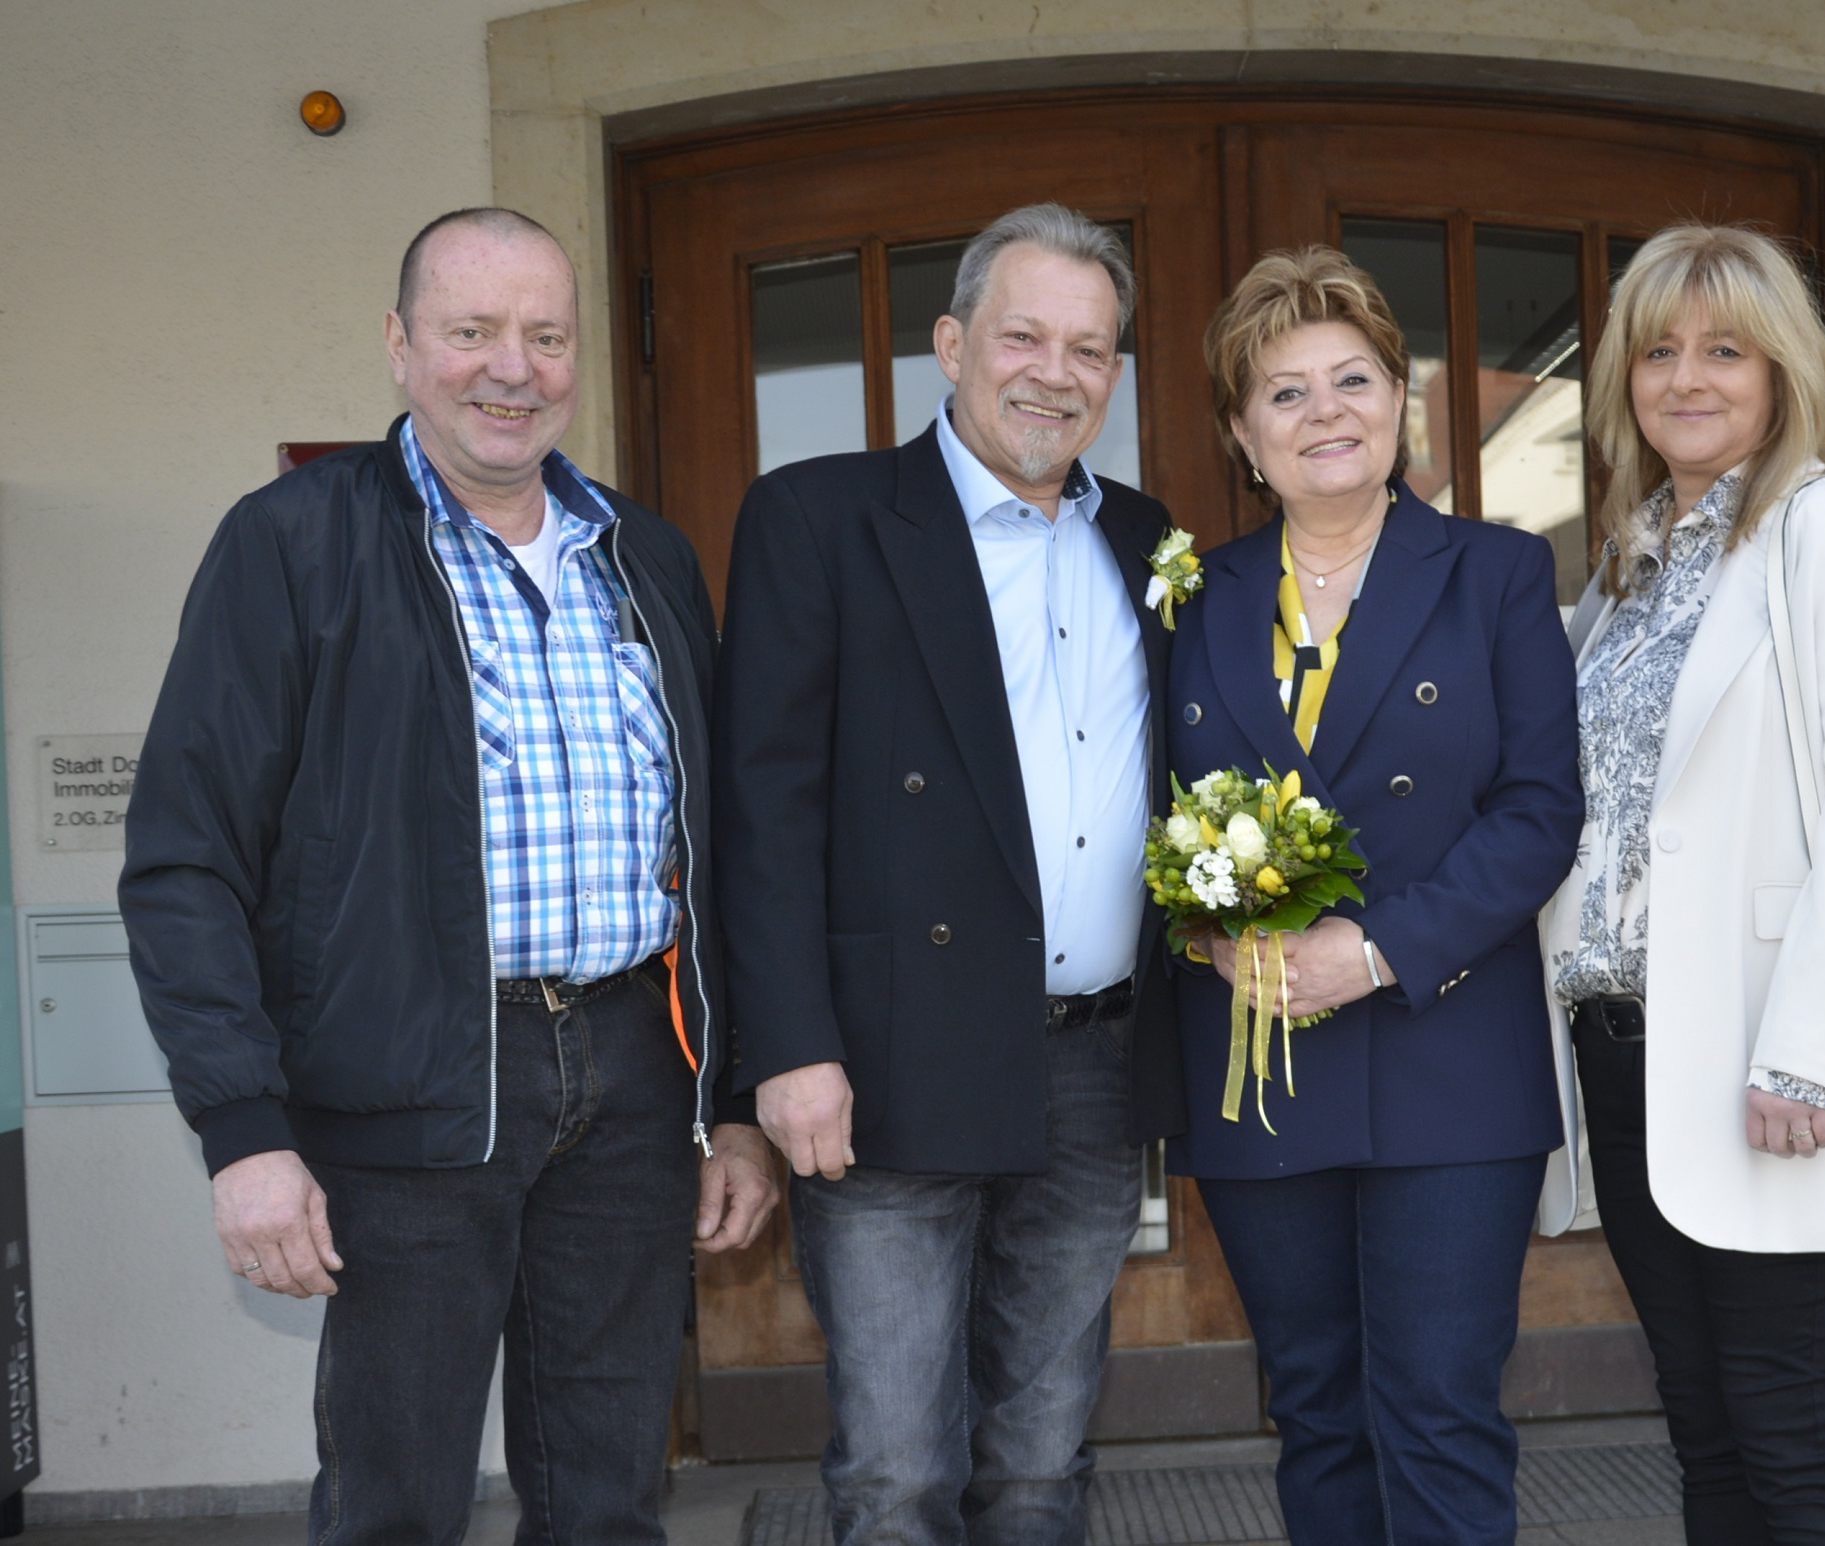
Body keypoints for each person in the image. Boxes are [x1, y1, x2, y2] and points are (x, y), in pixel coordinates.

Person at [118, 207, 778, 1543]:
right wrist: (243, 1128)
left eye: (544, 336)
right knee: (394, 1503)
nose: (510, 368)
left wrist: (734, 1096)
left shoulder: (644, 558)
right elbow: (186, 856)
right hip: (405, 1083)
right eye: (471, 331)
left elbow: (719, 853)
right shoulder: (295, 544)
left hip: (630, 1078)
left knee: (607, 1498)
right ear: (401, 345)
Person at [714, 202, 1184, 1546]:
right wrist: (784, 1050)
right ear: (950, 344)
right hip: (884, 1064)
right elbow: (763, 806)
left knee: (1042, 1460)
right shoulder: (822, 518)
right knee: (897, 1472)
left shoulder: (1146, 538)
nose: (1053, 372)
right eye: (1022, 335)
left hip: (1091, 1069)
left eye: (1089, 348)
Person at [1537, 223, 1825, 1545]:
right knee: (1701, 1418)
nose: (1686, 377)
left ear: (1783, 370)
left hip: (1759, 1054)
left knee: (1780, 1424)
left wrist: (1805, 1057)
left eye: (1723, 348)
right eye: (1656, 350)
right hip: (1621, 1055)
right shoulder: (1623, 565)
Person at [1166, 246, 1585, 1544]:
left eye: (1351, 379)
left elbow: (1537, 813)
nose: (1323, 412)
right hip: (1259, 1063)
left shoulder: (1495, 573)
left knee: (1438, 1409)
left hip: (1448, 1056)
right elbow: (1141, 812)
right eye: (1282, 393)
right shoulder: (1190, 596)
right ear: (1241, 434)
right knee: (1315, 1408)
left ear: (1398, 400)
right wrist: (1206, 927)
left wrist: (1380, 948)